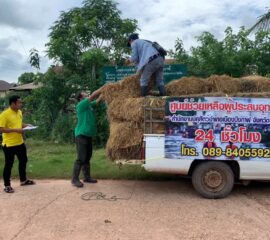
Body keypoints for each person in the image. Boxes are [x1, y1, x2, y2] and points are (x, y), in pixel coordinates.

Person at [0, 95, 35, 193]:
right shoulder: (4, 114)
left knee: (23, 160)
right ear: (13, 103)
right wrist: (16, 130)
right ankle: (7, 185)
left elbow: (19, 124)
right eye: (19, 102)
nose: (21, 104)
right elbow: (1, 129)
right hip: (9, 144)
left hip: (19, 142)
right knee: (9, 164)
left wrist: (27, 125)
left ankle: (23, 180)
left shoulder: (19, 112)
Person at [71, 90, 100, 188]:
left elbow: (98, 100)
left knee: (87, 157)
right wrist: (103, 87)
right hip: (81, 134)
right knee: (81, 158)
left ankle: (87, 177)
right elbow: (93, 96)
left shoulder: (89, 105)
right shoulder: (81, 105)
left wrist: (107, 91)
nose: (87, 95)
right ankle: (74, 179)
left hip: (88, 134)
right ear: (80, 98)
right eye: (84, 94)